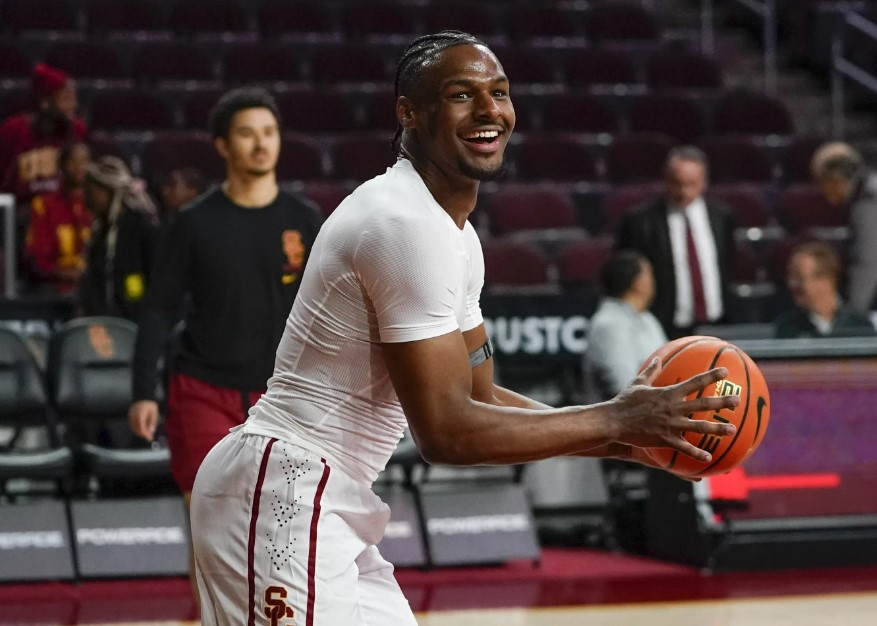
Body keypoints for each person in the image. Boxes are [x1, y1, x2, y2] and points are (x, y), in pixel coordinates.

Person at [189, 32, 738, 625]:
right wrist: (617, 419)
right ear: (409, 113)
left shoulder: (456, 236)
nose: (488, 111)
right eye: (461, 95)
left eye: (499, 93)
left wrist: (632, 442)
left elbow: (481, 397)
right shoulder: (402, 224)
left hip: (328, 495)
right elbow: (448, 433)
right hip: (283, 489)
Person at [127, 85, 322, 503]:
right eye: (247, 133)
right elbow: (157, 310)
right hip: (203, 389)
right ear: (223, 145)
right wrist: (144, 391)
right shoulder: (192, 224)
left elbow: (329, 311)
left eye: (269, 132)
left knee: (276, 529)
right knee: (207, 523)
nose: (260, 143)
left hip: (282, 395)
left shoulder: (305, 219)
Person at [616, 146, 736, 339]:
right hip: (664, 327)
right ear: (665, 180)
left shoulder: (722, 217)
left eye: (691, 184)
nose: (684, 191)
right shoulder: (640, 222)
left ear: (704, 182)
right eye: (677, 183)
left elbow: (729, 265)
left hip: (716, 326)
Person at [75, 156, 161, 321]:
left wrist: (138, 307)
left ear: (107, 191)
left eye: (90, 192)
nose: (86, 199)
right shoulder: (100, 231)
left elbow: (148, 277)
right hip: (101, 322)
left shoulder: (141, 227)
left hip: (134, 320)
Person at [0, 64, 88, 224]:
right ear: (45, 102)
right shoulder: (13, 130)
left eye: (74, 99)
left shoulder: (78, 130)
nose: (73, 106)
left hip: (65, 215)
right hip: (19, 216)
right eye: (65, 99)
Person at [584, 250, 668, 402]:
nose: (654, 281)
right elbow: (628, 389)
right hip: (620, 422)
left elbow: (671, 365)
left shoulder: (648, 319)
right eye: (649, 274)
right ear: (638, 283)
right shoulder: (607, 325)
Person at [810, 142, 877, 314]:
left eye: (821, 182)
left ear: (835, 180)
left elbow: (868, 263)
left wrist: (854, 315)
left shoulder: (868, 203)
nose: (822, 191)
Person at [24, 142, 92, 295]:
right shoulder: (44, 205)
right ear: (62, 166)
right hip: (55, 288)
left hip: (94, 287)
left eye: (84, 161)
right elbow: (37, 261)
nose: (79, 167)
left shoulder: (98, 205)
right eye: (73, 161)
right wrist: (66, 274)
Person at [773, 240, 875, 339]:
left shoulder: (860, 326)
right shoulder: (787, 327)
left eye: (799, 277)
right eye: (791, 277)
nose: (792, 284)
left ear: (825, 280)